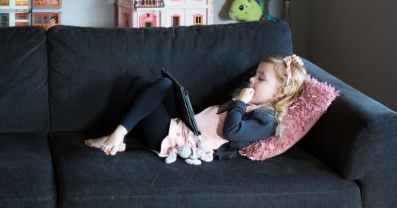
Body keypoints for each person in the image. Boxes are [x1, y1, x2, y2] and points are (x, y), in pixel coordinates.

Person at [85, 55, 307, 160]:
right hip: (183, 123)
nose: (252, 81)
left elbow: (232, 131)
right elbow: (252, 78)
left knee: (162, 84)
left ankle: (118, 134)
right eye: (254, 75)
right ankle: (119, 138)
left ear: (279, 93)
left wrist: (239, 102)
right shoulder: (248, 98)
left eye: (261, 78)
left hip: (178, 140)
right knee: (142, 82)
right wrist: (286, 63)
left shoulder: (266, 120)